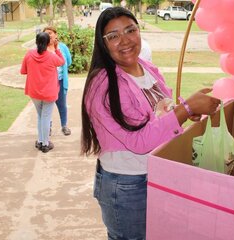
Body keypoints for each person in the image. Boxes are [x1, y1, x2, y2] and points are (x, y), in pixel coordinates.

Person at [80, 7, 220, 240]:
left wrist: (183, 112)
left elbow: (159, 113)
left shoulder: (148, 69)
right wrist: (186, 110)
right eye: (113, 36)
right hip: (126, 184)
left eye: (130, 30)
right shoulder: (102, 85)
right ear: (103, 43)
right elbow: (138, 141)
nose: (124, 40)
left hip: (157, 173)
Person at [21, 32, 65, 153]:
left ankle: (40, 141)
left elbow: (23, 71)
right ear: (47, 43)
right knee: (45, 116)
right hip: (48, 93)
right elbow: (62, 62)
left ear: (36, 41)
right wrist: (56, 49)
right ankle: (45, 144)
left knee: (40, 116)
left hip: (34, 92)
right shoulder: (52, 56)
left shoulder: (29, 54)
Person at [43, 26, 73, 136]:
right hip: (47, 83)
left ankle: (64, 126)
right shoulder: (42, 48)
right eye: (46, 34)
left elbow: (68, 62)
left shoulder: (63, 47)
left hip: (60, 81)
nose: (49, 35)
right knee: (47, 107)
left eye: (50, 33)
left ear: (56, 34)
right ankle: (48, 127)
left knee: (62, 104)